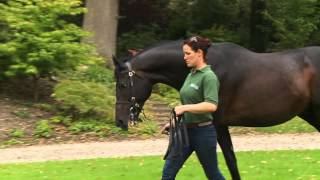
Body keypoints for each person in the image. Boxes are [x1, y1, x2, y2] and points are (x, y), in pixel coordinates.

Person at [161, 36, 225, 180]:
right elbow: (189, 101)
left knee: (213, 174)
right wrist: (173, 123)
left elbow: (211, 105)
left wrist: (184, 108)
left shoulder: (209, 77)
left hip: (203, 133)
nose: (184, 57)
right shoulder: (191, 75)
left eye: (188, 53)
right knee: (168, 173)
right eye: (184, 53)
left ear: (199, 53)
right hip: (184, 131)